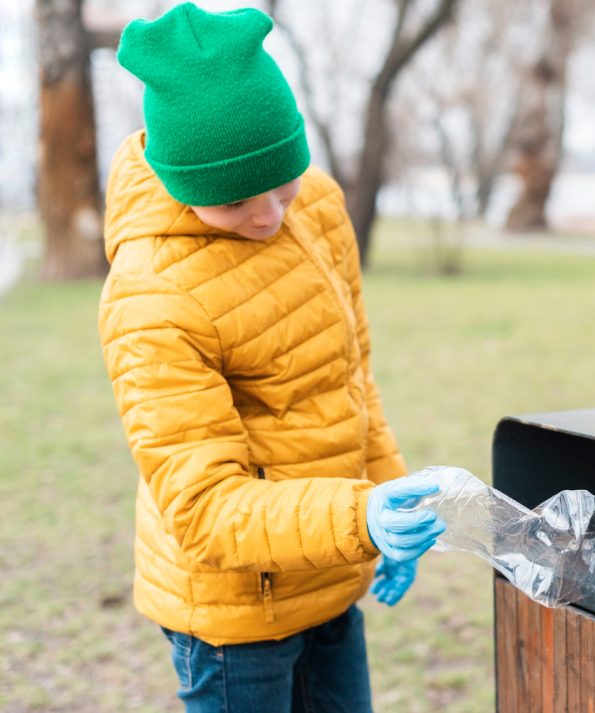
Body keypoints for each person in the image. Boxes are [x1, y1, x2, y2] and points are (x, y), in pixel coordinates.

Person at [97, 4, 444, 711]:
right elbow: (204, 506)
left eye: (279, 179)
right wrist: (361, 514)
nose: (267, 214)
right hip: (234, 617)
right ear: (178, 179)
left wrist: (389, 497)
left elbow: (351, 379)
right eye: (232, 200)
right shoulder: (150, 296)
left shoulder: (316, 207)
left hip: (330, 572)